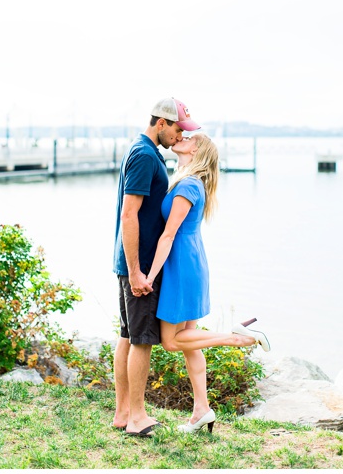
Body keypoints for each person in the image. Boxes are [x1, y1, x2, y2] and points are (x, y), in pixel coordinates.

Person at [143, 131, 270, 435]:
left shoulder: (188, 184)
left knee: (172, 341)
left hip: (182, 266)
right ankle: (201, 410)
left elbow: (168, 234)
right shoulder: (191, 181)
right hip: (190, 261)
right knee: (189, 341)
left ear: (196, 149)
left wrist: (148, 276)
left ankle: (239, 338)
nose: (182, 137)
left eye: (189, 137)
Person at [112, 97, 200, 437]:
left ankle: (123, 414)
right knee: (142, 341)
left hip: (131, 261)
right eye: (178, 128)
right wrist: (136, 271)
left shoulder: (144, 151)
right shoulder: (145, 155)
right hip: (140, 264)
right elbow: (129, 214)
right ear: (160, 123)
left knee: (128, 336)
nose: (180, 135)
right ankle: (136, 417)